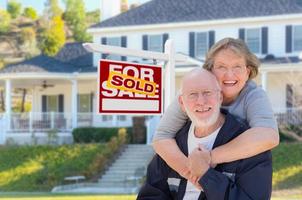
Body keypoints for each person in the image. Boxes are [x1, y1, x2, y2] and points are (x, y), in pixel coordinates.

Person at [152, 38, 279, 182]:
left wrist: (210, 157)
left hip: (237, 175)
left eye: (237, 66)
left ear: (247, 72)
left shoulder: (254, 95)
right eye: (221, 67)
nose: (229, 75)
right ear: (210, 70)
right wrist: (191, 172)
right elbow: (162, 136)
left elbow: (269, 136)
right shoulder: (192, 91)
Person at [137, 68, 272, 200]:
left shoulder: (250, 147)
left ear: (220, 97)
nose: (201, 101)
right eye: (193, 94)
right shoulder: (173, 147)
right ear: (182, 103)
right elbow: (150, 195)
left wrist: (206, 176)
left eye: (207, 93)